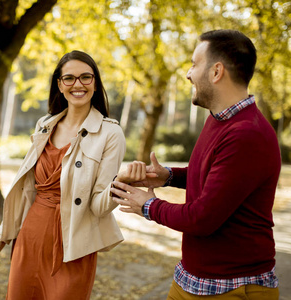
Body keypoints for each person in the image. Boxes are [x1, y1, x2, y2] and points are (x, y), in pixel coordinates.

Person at [112, 29, 281, 299]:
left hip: (233, 288)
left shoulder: (247, 133)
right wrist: (168, 176)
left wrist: (147, 205)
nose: (189, 73)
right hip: (193, 279)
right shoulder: (220, 119)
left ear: (216, 72)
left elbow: (202, 218)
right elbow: (218, 178)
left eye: (194, 64)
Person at [0, 50, 126, 300]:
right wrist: (2, 236)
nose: (77, 84)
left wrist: (121, 185)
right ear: (59, 85)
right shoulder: (44, 125)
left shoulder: (110, 134)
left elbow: (99, 205)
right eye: (69, 78)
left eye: (85, 77)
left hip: (74, 242)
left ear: (95, 83)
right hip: (31, 234)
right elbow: (27, 190)